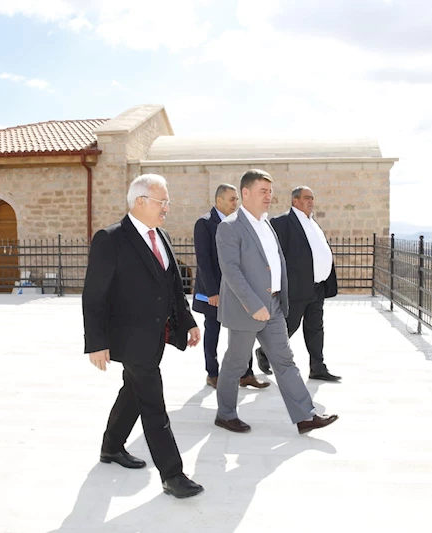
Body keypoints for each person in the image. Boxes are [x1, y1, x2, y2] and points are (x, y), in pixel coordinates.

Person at [82, 174, 204, 499]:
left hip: (156, 336)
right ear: (140, 202)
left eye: (167, 202)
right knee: (153, 403)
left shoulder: (161, 236)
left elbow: (173, 287)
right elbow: (94, 295)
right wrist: (96, 343)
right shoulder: (110, 239)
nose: (167, 207)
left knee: (133, 392)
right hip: (129, 337)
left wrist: (188, 321)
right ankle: (172, 475)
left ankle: (111, 447)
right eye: (162, 201)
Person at [213, 169, 338, 435]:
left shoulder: (266, 224)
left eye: (270, 191)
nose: (269, 196)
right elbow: (231, 271)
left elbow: (275, 264)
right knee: (236, 364)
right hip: (247, 309)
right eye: (263, 191)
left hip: (273, 306)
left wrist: (278, 299)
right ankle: (225, 414)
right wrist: (253, 304)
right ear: (245, 193)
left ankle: (305, 416)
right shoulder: (229, 227)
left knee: (285, 361)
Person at [255, 186, 342, 381]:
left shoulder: (312, 223)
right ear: (295, 200)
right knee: (289, 325)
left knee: (315, 327)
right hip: (296, 287)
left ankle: (317, 367)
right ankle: (264, 352)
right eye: (306, 198)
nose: (311, 201)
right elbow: (272, 254)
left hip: (317, 287)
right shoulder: (282, 222)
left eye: (312, 198)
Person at [192, 184, 269, 390]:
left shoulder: (239, 223)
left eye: (237, 199)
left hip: (237, 289)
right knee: (213, 331)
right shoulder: (204, 223)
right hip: (215, 292)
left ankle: (246, 374)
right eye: (232, 199)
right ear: (219, 200)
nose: (236, 203)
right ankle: (212, 374)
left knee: (243, 331)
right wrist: (212, 292)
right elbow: (203, 260)